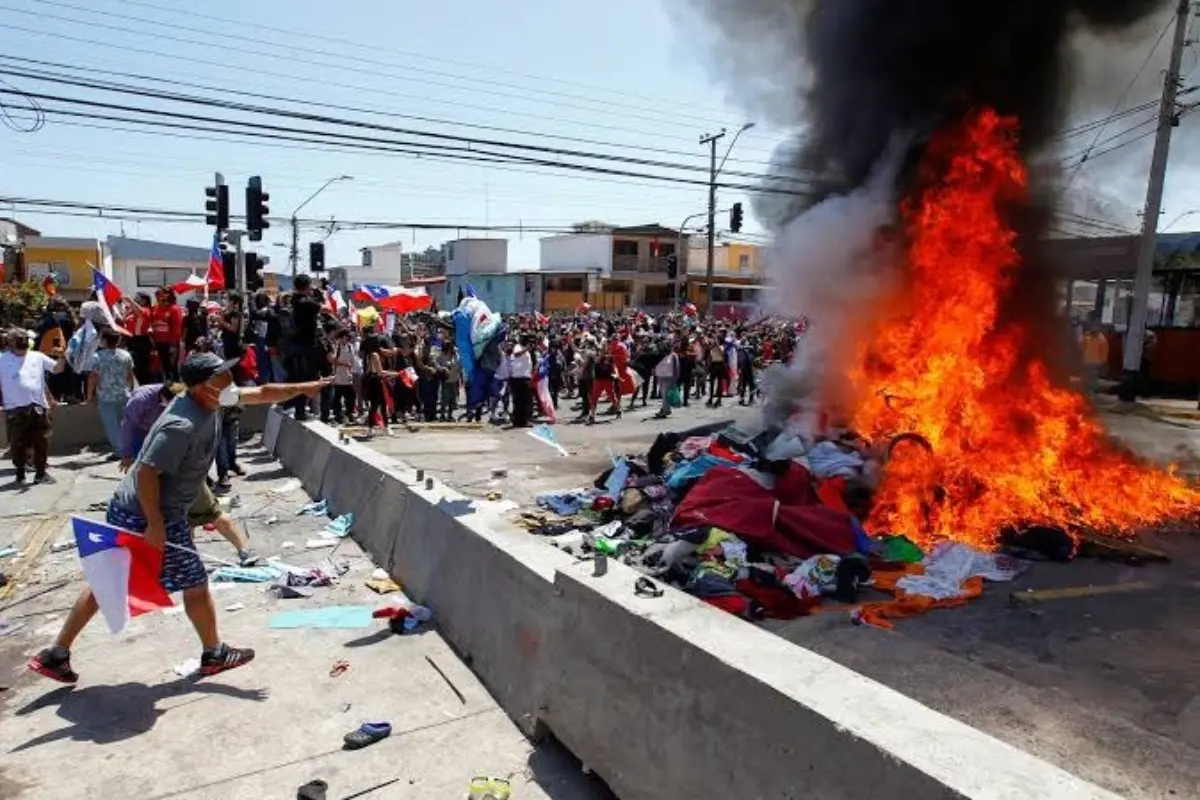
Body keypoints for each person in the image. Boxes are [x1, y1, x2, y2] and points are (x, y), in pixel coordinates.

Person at [27, 352, 257, 684]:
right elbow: (148, 472)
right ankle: (215, 653)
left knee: (108, 582)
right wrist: (155, 524)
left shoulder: (207, 401)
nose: (230, 380)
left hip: (134, 508)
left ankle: (55, 654)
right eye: (222, 375)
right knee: (194, 582)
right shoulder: (181, 424)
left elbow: (262, 393)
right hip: (150, 513)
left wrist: (306, 387)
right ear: (206, 386)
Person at [0, 329, 67, 483]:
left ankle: (40, 473)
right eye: (17, 338)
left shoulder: (37, 357)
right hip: (15, 409)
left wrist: (62, 355)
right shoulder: (2, 360)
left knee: (41, 442)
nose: (22, 341)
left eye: (24, 338)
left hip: (38, 407)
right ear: (9, 342)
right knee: (18, 444)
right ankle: (20, 473)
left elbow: (57, 369)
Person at [85, 328, 136, 457]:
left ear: (104, 341)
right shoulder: (126, 355)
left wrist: (89, 396)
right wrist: (131, 390)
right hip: (124, 394)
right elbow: (130, 374)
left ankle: (120, 452)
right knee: (124, 424)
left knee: (112, 426)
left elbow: (93, 378)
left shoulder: (97, 357)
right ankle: (128, 448)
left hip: (106, 396)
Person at [150, 287, 183, 381]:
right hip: (158, 342)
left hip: (170, 343)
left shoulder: (174, 308)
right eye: (158, 295)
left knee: (172, 369)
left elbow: (177, 328)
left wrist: (174, 345)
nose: (159, 296)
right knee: (164, 368)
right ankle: (168, 389)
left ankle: (176, 391)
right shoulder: (156, 308)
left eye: (162, 294)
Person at [508, 341, 534, 428]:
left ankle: (524, 421)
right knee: (519, 401)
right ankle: (517, 421)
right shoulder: (518, 347)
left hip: (525, 377)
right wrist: (526, 348)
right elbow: (516, 354)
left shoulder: (527, 351)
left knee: (525, 401)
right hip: (518, 378)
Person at [654, 340, 680, 419]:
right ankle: (665, 409)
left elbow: (677, 368)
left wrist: (676, 378)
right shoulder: (662, 355)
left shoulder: (673, 355)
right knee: (663, 394)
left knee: (665, 394)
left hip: (669, 378)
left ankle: (664, 410)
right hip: (662, 377)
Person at [437, 340, 462, 421]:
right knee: (444, 399)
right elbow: (436, 364)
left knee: (452, 399)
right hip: (446, 381)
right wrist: (443, 369)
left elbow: (460, 367)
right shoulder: (441, 355)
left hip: (454, 380)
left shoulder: (456, 356)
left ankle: (450, 415)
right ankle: (442, 415)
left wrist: (461, 378)